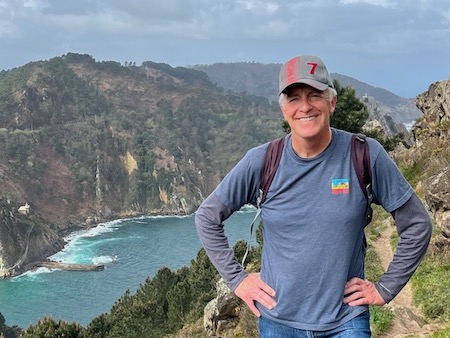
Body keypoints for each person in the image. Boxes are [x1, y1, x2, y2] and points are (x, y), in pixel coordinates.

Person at [195, 54, 432, 337]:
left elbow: (417, 225)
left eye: (315, 95)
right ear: (283, 109)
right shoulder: (261, 162)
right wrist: (237, 279)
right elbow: (207, 217)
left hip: (345, 322)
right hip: (277, 322)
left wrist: (386, 288)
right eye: (294, 98)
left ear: (331, 101)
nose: (305, 106)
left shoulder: (364, 154)